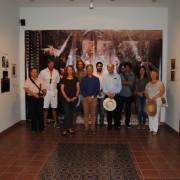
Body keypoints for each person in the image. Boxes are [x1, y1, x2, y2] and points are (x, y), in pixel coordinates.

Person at [24, 68, 47, 133]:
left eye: (36, 72)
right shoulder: (28, 80)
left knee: (40, 113)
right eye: (33, 72)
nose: (34, 73)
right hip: (31, 98)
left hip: (39, 98)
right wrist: (34, 94)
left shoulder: (40, 80)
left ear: (37, 73)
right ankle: (34, 129)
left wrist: (44, 93)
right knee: (33, 113)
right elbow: (26, 89)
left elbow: (44, 89)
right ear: (30, 73)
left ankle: (41, 129)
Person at [39, 60, 60, 128]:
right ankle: (44, 124)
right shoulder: (43, 72)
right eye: (50, 64)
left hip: (54, 92)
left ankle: (55, 123)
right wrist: (42, 89)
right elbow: (39, 81)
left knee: (54, 108)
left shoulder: (56, 72)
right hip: (46, 92)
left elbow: (57, 81)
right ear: (48, 64)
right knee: (45, 108)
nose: (52, 65)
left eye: (53, 64)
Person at [60, 65, 80, 136]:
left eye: (71, 69)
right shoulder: (63, 79)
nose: (69, 71)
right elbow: (62, 89)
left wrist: (76, 96)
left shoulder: (76, 78)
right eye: (68, 69)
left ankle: (70, 128)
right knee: (67, 113)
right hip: (65, 99)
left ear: (73, 70)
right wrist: (66, 98)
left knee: (71, 113)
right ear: (66, 70)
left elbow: (78, 88)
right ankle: (65, 129)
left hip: (74, 99)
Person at [80, 64, 100, 133]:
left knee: (93, 114)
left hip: (94, 99)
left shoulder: (96, 79)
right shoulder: (83, 79)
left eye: (91, 69)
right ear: (86, 70)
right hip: (85, 99)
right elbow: (82, 89)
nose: (89, 70)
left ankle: (93, 129)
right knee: (86, 114)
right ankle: (86, 128)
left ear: (92, 70)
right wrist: (87, 96)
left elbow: (97, 90)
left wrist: (92, 96)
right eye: (88, 69)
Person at [102, 64, 122, 130]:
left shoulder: (118, 76)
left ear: (113, 68)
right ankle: (109, 125)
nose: (110, 69)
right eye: (109, 67)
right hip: (107, 96)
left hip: (116, 96)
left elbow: (120, 86)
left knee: (117, 112)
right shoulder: (105, 77)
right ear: (107, 68)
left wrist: (114, 93)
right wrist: (108, 93)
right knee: (109, 112)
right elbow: (103, 87)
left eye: (111, 67)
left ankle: (116, 125)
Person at [145, 69, 165, 135]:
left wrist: (154, 98)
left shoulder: (160, 83)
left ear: (157, 75)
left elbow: (162, 92)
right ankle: (151, 128)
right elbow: (146, 92)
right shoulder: (148, 84)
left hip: (156, 101)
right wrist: (148, 98)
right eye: (151, 74)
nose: (152, 75)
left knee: (155, 115)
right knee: (150, 115)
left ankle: (155, 130)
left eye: (154, 74)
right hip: (149, 101)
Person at [119, 62, 136, 128]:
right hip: (121, 94)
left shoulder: (132, 75)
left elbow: (132, 83)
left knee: (128, 110)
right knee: (119, 109)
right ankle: (119, 122)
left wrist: (125, 82)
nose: (127, 68)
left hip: (129, 95)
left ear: (130, 68)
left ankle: (127, 123)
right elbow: (120, 82)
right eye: (126, 67)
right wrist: (127, 83)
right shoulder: (121, 75)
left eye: (128, 67)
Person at [93, 62, 105, 127]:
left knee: (102, 112)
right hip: (95, 95)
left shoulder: (104, 75)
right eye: (98, 66)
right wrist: (97, 90)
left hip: (103, 95)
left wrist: (102, 90)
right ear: (96, 67)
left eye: (100, 66)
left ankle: (101, 123)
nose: (99, 67)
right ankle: (95, 123)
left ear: (102, 67)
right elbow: (92, 84)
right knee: (95, 111)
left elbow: (105, 84)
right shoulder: (94, 74)